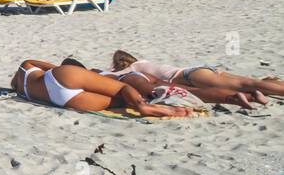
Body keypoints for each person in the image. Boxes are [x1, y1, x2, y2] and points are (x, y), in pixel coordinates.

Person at [12, 59, 194, 118]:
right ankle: (143, 105)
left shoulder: (23, 86)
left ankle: (143, 106)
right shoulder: (26, 65)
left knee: (121, 101)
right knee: (123, 88)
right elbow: (51, 66)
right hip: (64, 75)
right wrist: (74, 71)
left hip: (62, 100)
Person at [110, 50, 284, 101]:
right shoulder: (143, 61)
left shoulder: (134, 67)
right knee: (249, 82)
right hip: (199, 69)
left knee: (246, 84)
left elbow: (116, 76)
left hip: (188, 75)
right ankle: (269, 89)